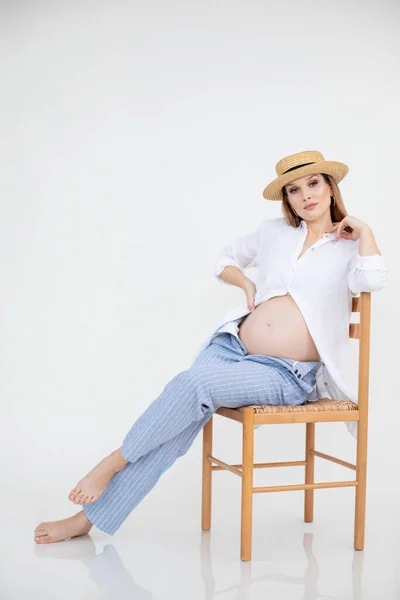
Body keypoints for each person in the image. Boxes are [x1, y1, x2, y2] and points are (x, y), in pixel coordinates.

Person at [34, 150, 388, 544]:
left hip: (285, 374)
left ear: (329, 186)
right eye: (293, 189)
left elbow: (372, 281)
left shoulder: (349, 244)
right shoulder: (274, 233)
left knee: (191, 386)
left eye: (313, 183)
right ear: (286, 198)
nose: (305, 195)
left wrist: (365, 231)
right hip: (232, 347)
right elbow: (224, 260)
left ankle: (111, 463)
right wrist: (247, 284)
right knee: (180, 421)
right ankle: (87, 520)